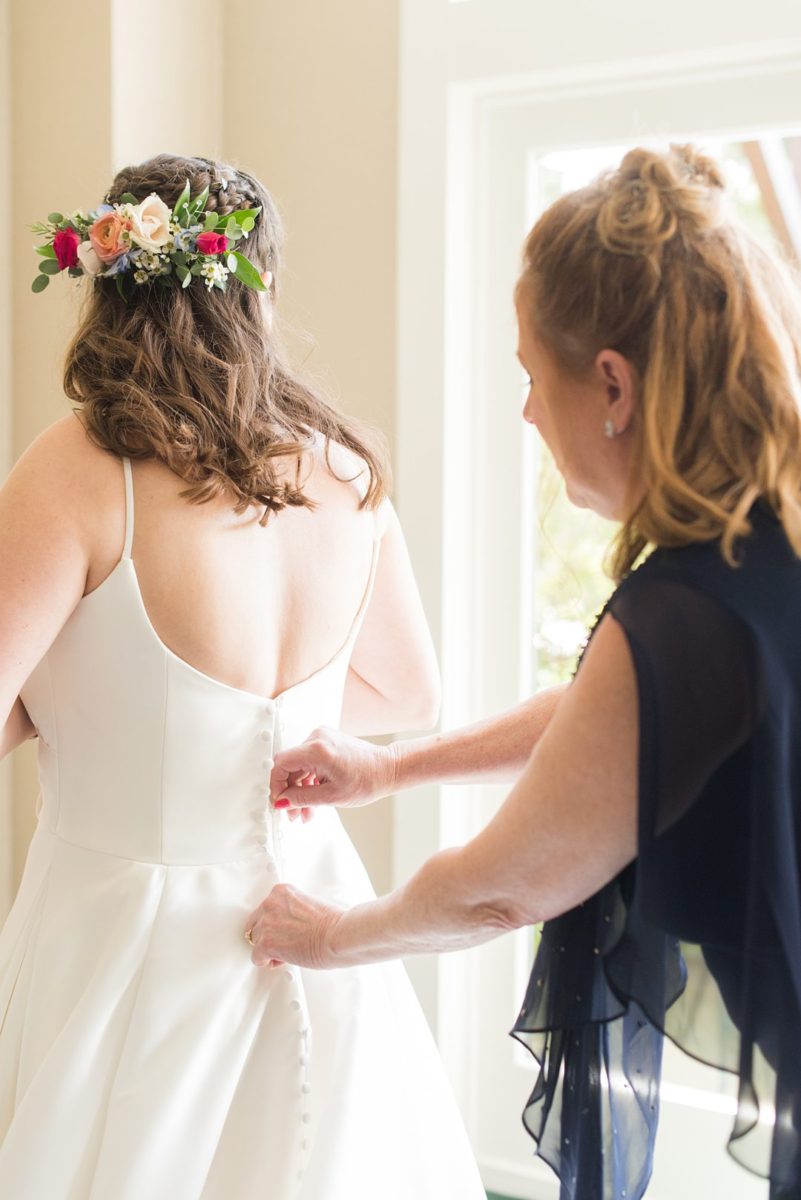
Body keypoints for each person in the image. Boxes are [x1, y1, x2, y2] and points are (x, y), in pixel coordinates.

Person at [249, 144, 801, 1200]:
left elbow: (500, 888)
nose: (527, 415)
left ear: (612, 385)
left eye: (530, 377)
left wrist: (328, 935)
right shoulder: (759, 544)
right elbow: (606, 717)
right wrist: (387, 770)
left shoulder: (688, 609)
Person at [0, 154, 488, 1200]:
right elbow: (408, 695)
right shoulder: (345, 470)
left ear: (110, 276)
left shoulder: (80, 467)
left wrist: (86, 703)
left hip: (124, 942)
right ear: (256, 291)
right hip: (316, 914)